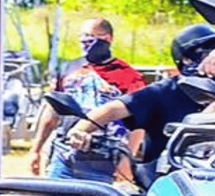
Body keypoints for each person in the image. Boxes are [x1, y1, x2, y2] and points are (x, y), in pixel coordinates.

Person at [66, 24, 215, 169]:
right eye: (208, 50)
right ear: (186, 60)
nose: (214, 57)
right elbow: (113, 109)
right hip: (169, 177)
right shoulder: (166, 91)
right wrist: (80, 130)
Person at [30, 18, 147, 180]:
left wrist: (128, 157)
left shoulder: (128, 75)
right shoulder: (69, 69)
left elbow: (140, 120)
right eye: (83, 37)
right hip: (65, 150)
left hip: (103, 156)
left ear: (108, 39)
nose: (86, 42)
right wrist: (36, 149)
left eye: (92, 37)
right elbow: (52, 113)